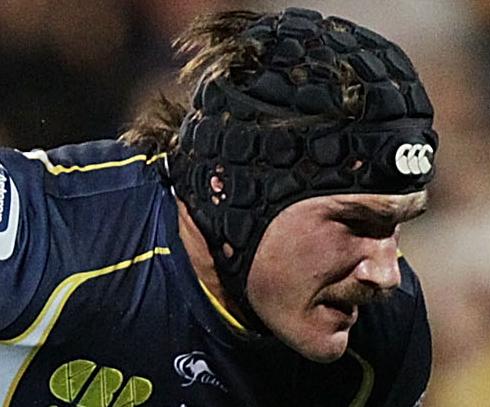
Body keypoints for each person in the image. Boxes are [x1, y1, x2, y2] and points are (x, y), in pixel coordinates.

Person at [0, 8, 437, 407]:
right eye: (355, 224)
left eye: (395, 226)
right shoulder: (37, 238)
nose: (385, 274)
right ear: (230, 189)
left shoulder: (386, 336)